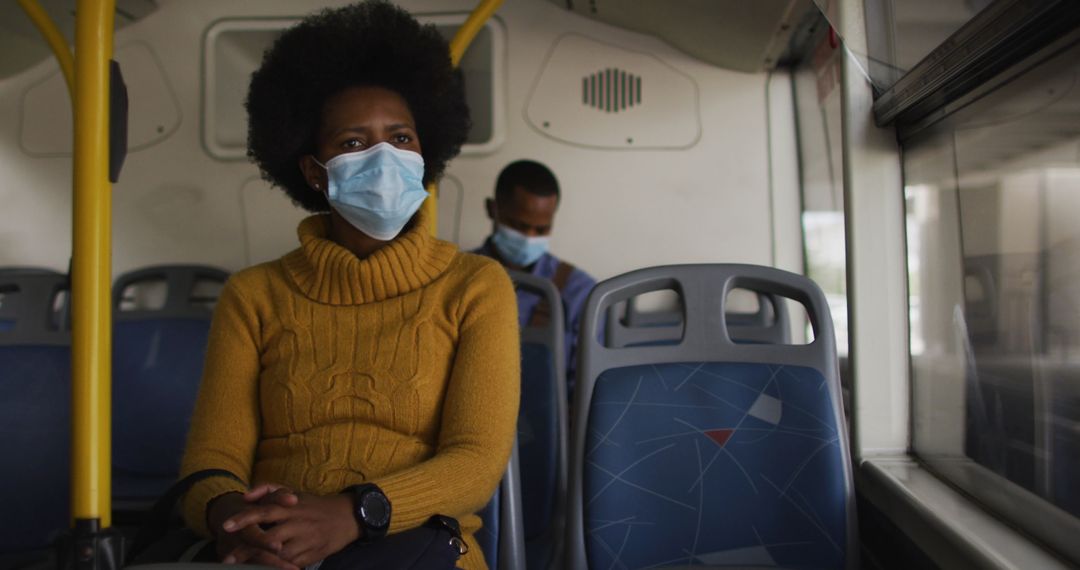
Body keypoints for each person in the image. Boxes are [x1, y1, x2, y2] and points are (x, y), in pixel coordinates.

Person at [177, 3, 520, 569]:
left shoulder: (475, 287)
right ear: (315, 172)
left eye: (402, 137)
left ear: (425, 154)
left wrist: (353, 514)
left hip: (419, 547)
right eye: (355, 143)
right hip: (274, 551)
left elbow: (476, 461)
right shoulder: (253, 295)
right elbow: (212, 459)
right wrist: (234, 520)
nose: (386, 157)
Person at [475, 160, 596, 396]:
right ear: (492, 209)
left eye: (541, 230)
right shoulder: (457, 276)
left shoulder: (579, 291)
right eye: (518, 225)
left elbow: (587, 389)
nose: (529, 237)